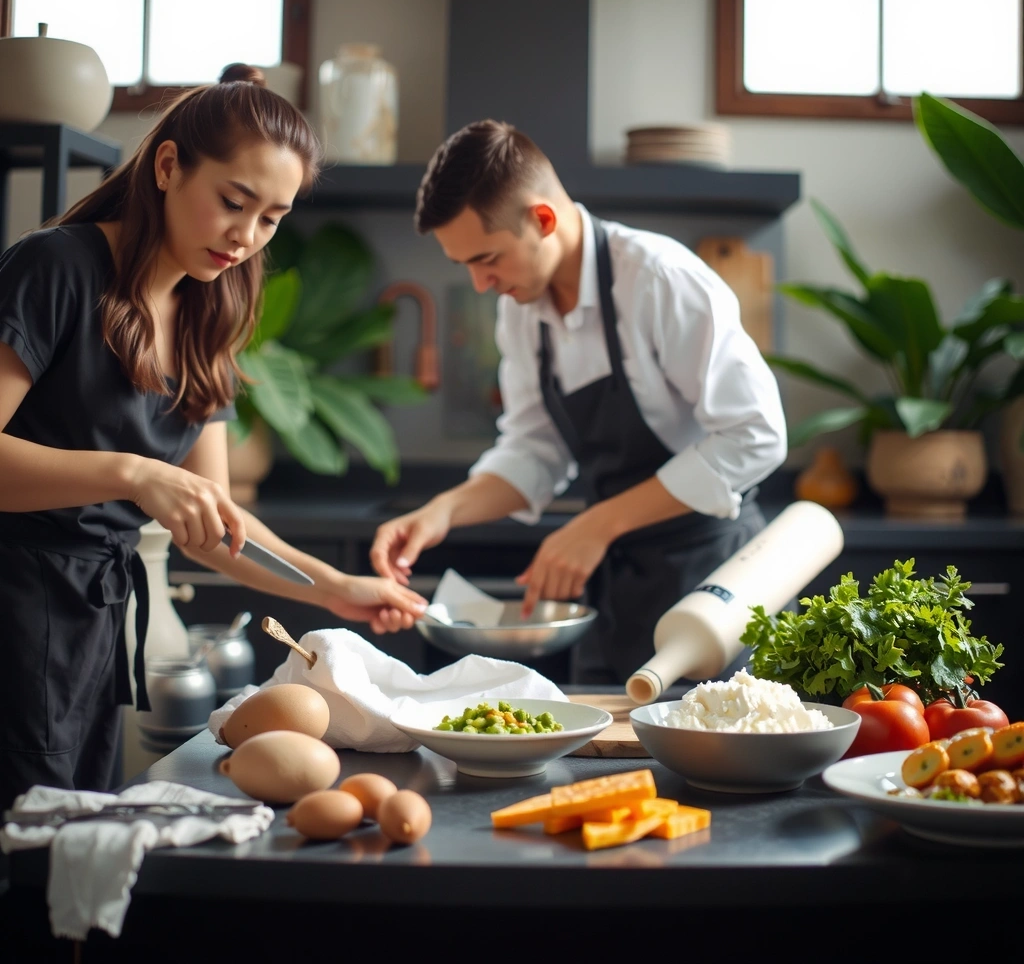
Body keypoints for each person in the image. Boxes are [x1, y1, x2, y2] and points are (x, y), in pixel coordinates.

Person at [0, 64, 427, 811]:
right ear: (167, 166)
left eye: (271, 218)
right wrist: (134, 474)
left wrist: (337, 589)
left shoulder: (209, 317)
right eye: (234, 202)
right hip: (13, 607)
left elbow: (214, 528)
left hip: (95, 627)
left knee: (74, 838)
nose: (246, 236)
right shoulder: (56, 268)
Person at [371, 120, 787, 685]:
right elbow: (535, 450)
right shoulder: (521, 310)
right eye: (465, 265)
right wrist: (441, 512)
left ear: (542, 220)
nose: (480, 284)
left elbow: (756, 437)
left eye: (488, 258)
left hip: (714, 586)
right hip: (615, 595)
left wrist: (598, 524)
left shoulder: (660, 279)